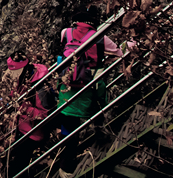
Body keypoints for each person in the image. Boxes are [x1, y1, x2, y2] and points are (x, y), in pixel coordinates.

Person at [53, 11, 124, 175]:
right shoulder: (101, 38)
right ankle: (99, 129)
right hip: (89, 86)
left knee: (71, 130)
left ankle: (65, 169)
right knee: (99, 104)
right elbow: (119, 53)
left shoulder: (66, 32)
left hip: (67, 87)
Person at [3, 49, 54, 178]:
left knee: (16, 168)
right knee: (9, 162)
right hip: (21, 128)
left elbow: (45, 115)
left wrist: (23, 107)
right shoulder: (25, 78)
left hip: (33, 133)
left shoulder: (40, 86)